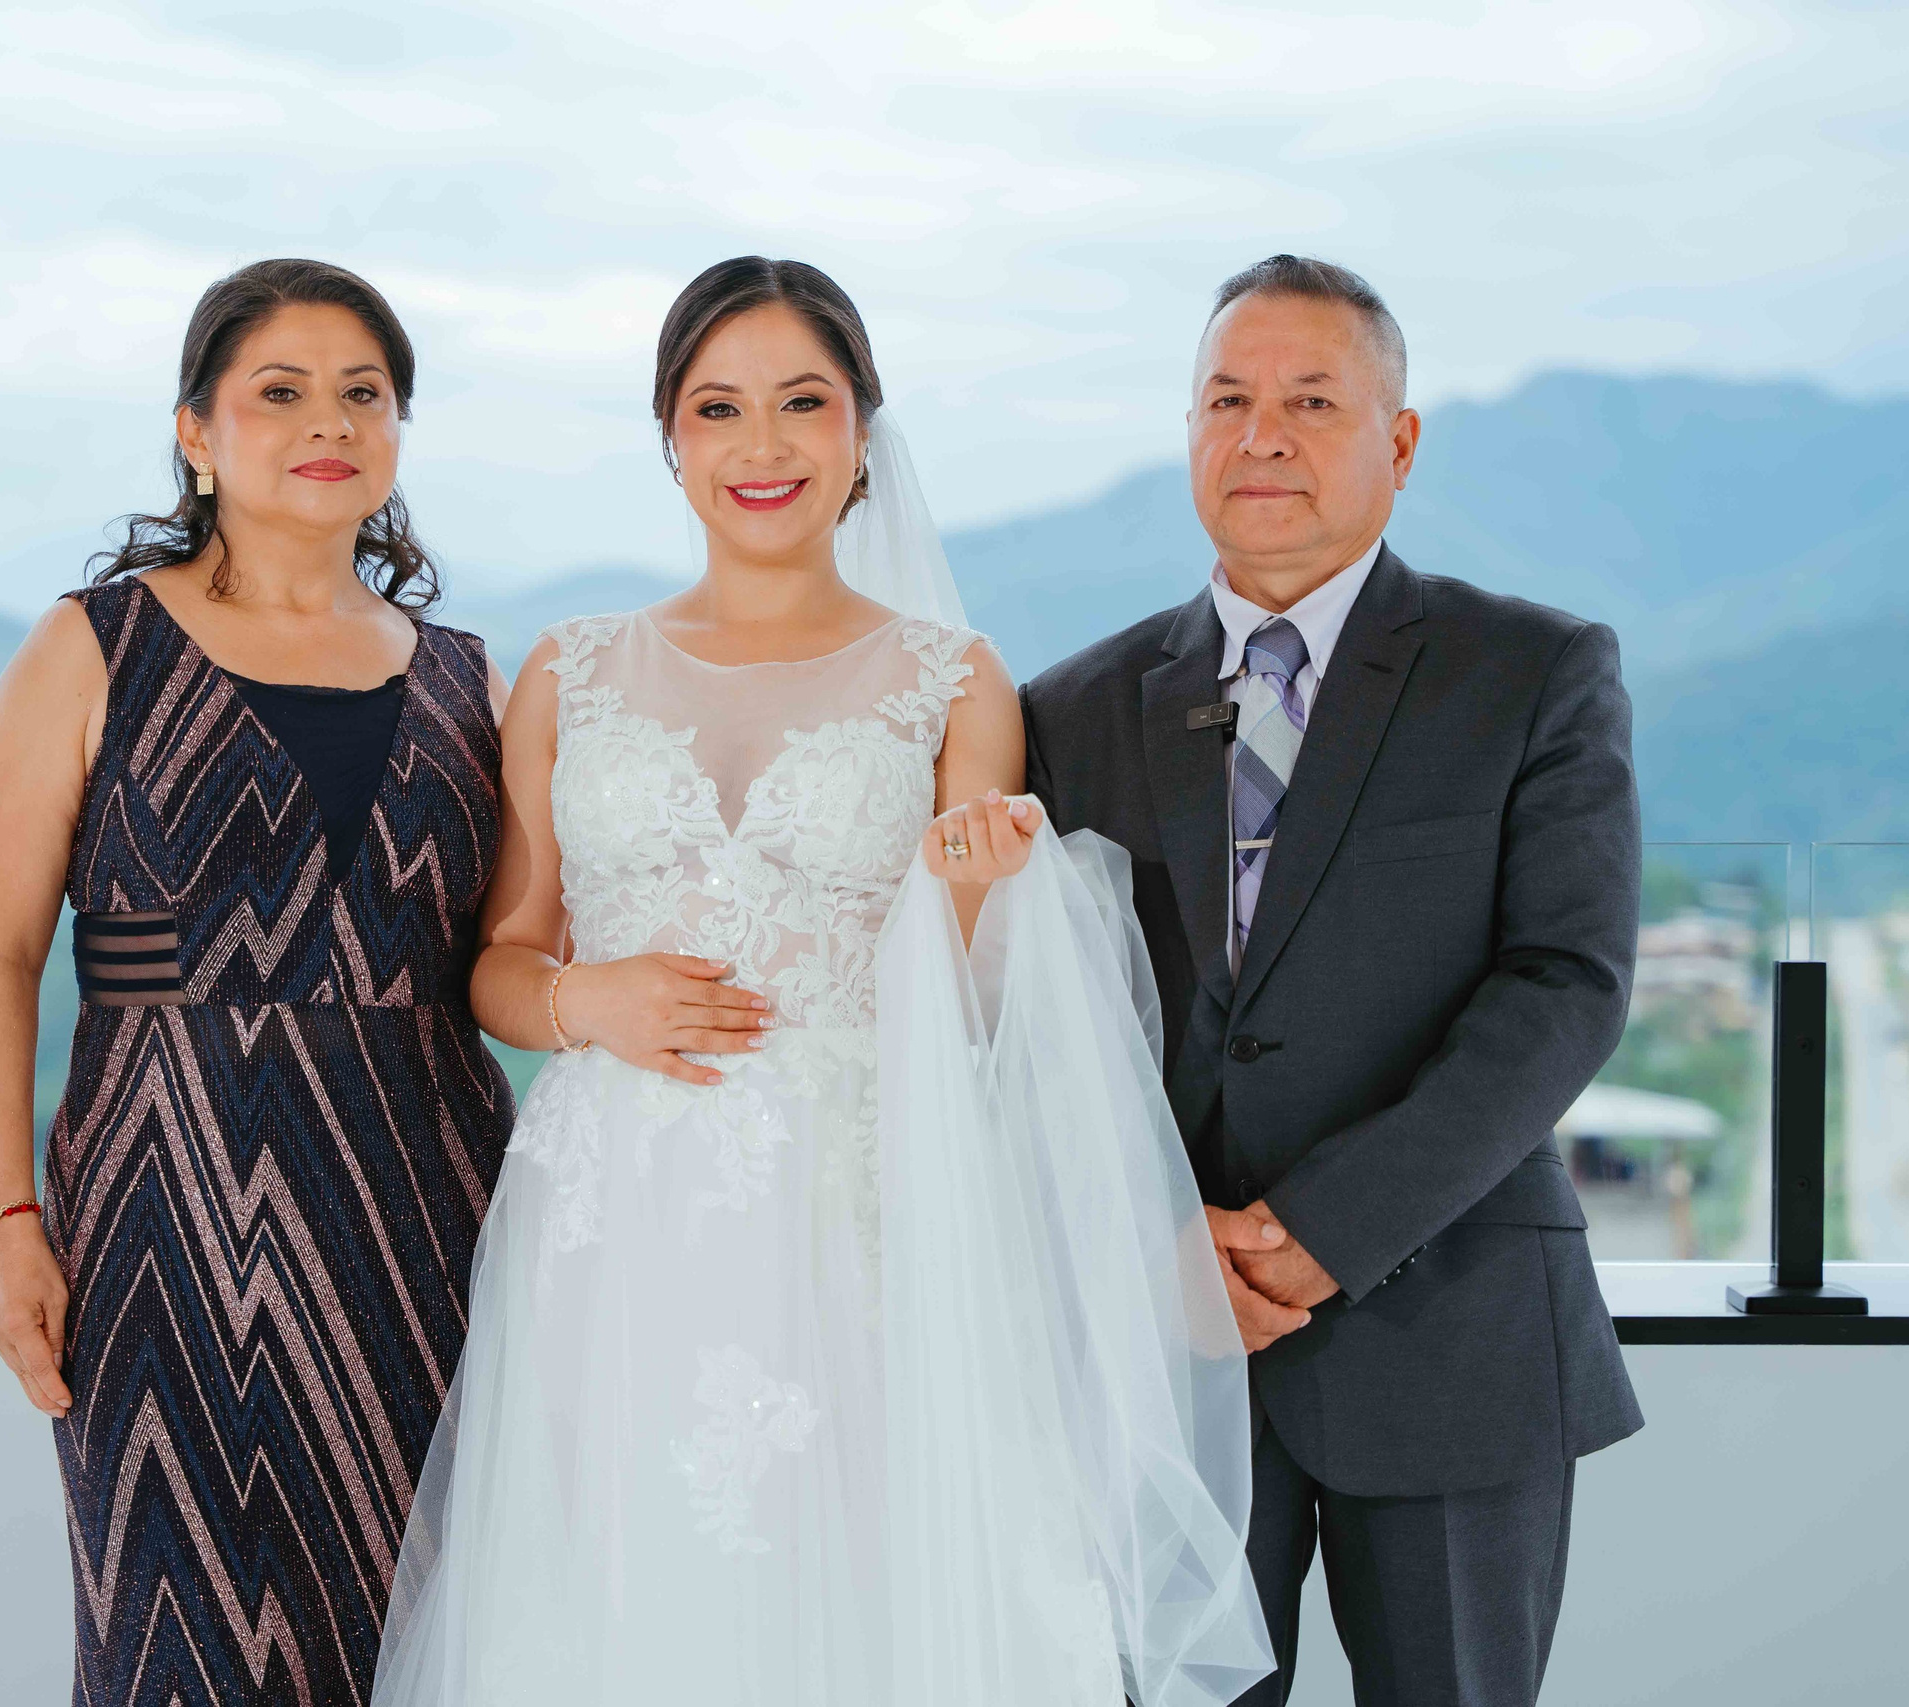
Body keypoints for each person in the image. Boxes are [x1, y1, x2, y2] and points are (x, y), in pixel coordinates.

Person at [371, 257, 1270, 1707]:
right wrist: (583, 1005)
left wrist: (988, 899)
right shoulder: (570, 671)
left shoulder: (953, 681)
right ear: (670, 438)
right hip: (614, 1229)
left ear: (863, 432)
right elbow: (502, 960)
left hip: (858, 1220)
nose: (762, 444)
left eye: (803, 402)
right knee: (611, 1601)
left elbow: (986, 1023)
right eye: (719, 408)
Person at [1023, 255, 1645, 1706]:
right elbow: (1044, 1030)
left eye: (1312, 400)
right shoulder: (1071, 709)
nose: (1264, 437)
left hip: (1454, 1340)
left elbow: (1566, 984)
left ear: (1400, 441)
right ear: (1187, 431)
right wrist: (1157, 1243)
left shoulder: (1533, 671)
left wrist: (1324, 1229)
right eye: (1228, 400)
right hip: (1168, 1355)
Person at [0, 258, 516, 1705]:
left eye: (363, 394)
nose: (329, 421)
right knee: (172, 1642)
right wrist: (6, 1219)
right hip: (160, 1230)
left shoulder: (468, 678)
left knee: (420, 1642)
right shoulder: (92, 649)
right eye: (281, 391)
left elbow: (516, 958)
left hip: (424, 1234)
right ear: (197, 429)